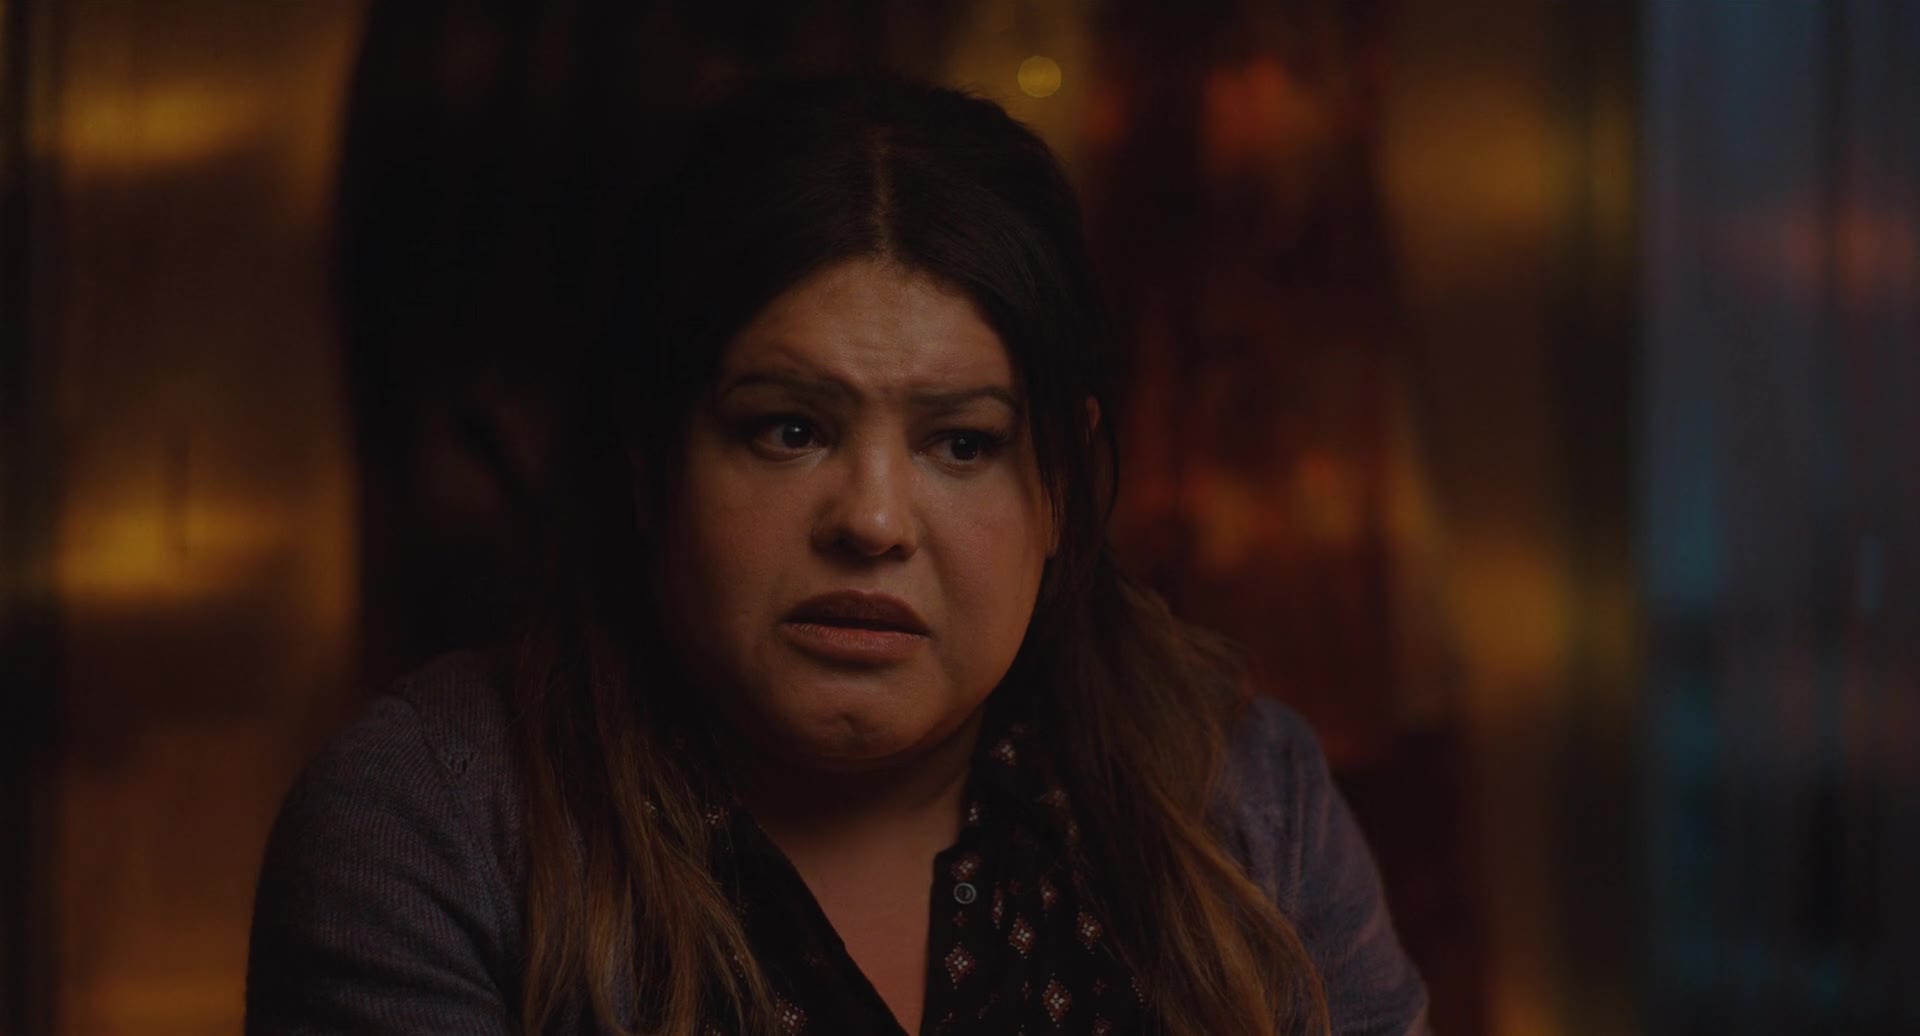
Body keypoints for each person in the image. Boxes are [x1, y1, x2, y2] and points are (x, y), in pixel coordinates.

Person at [244, 73, 1429, 1036]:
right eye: (789, 430)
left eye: (962, 443)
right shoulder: (443, 822)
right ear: (652, 462)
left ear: (1061, 490)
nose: (872, 519)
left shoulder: (1238, 802)